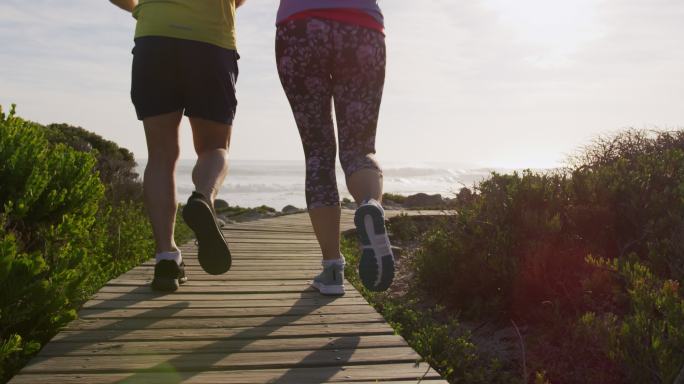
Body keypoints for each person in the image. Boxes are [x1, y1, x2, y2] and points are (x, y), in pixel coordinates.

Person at [110, 0, 246, 291]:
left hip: (155, 38)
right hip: (211, 39)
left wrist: (139, 7)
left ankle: (167, 260)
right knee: (214, 148)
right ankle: (203, 198)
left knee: (161, 155)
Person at [275, 0, 394, 296]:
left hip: (300, 28)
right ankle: (370, 205)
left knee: (318, 153)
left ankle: (332, 270)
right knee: (359, 149)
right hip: (361, 27)